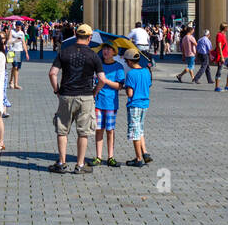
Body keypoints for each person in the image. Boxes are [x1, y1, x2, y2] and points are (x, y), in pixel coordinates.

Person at [48, 23, 109, 174]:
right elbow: (102, 79)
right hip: (86, 97)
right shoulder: (93, 55)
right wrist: (94, 92)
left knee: (62, 130)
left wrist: (57, 90)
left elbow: (52, 73)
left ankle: (61, 163)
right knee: (83, 132)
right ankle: (80, 165)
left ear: (76, 35)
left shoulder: (64, 52)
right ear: (89, 38)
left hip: (66, 95)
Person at [91, 43, 127, 167]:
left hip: (111, 103)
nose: (105, 51)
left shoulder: (118, 67)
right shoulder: (98, 66)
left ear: (114, 52)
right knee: (99, 129)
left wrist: (106, 81)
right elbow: (95, 83)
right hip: (98, 101)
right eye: (104, 49)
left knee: (110, 130)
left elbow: (120, 86)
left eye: (108, 49)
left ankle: (110, 156)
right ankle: (98, 156)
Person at [123, 49, 152, 167]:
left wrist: (125, 88)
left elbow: (130, 93)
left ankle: (138, 158)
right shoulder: (146, 72)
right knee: (140, 129)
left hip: (134, 104)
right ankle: (145, 153)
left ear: (130, 61)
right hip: (145, 104)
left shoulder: (130, 74)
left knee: (135, 132)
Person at [213, 23, 228, 93]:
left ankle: (227, 86)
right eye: (227, 27)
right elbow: (219, 46)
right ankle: (217, 87)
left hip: (226, 56)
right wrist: (221, 57)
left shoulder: (223, 35)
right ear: (224, 28)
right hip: (222, 56)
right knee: (219, 71)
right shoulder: (219, 35)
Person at [9, 22, 26, 89]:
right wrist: (15, 40)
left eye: (20, 26)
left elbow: (23, 42)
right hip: (12, 50)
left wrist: (26, 52)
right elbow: (9, 40)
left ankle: (11, 81)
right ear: (15, 26)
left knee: (16, 67)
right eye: (17, 26)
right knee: (15, 66)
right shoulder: (12, 31)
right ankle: (15, 84)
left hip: (19, 51)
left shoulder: (22, 33)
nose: (19, 27)